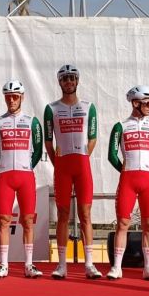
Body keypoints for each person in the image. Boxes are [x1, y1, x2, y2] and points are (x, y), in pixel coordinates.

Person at [44, 64, 101, 280]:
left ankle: (89, 265)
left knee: (85, 214)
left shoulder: (88, 107)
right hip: (63, 167)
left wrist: (83, 155)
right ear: (59, 82)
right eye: (65, 78)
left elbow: (93, 138)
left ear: (77, 81)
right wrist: (57, 163)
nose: (69, 82)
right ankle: (62, 265)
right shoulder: (51, 108)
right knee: (62, 214)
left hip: (82, 165)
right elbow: (48, 141)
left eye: (72, 78)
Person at [107, 86, 149, 281]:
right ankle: (117, 267)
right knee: (123, 223)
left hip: (148, 179)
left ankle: (148, 267)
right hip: (128, 180)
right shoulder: (120, 126)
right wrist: (124, 170)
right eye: (147, 103)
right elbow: (112, 155)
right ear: (135, 103)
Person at [0, 79, 44, 279]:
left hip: (25, 176)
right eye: (8, 97)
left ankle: (29, 265)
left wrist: (26, 166)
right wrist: (4, 164)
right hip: (5, 177)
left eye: (15, 97)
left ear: (22, 97)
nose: (11, 100)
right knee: (4, 220)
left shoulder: (32, 122)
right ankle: (3, 265)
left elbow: (38, 150)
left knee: (27, 220)